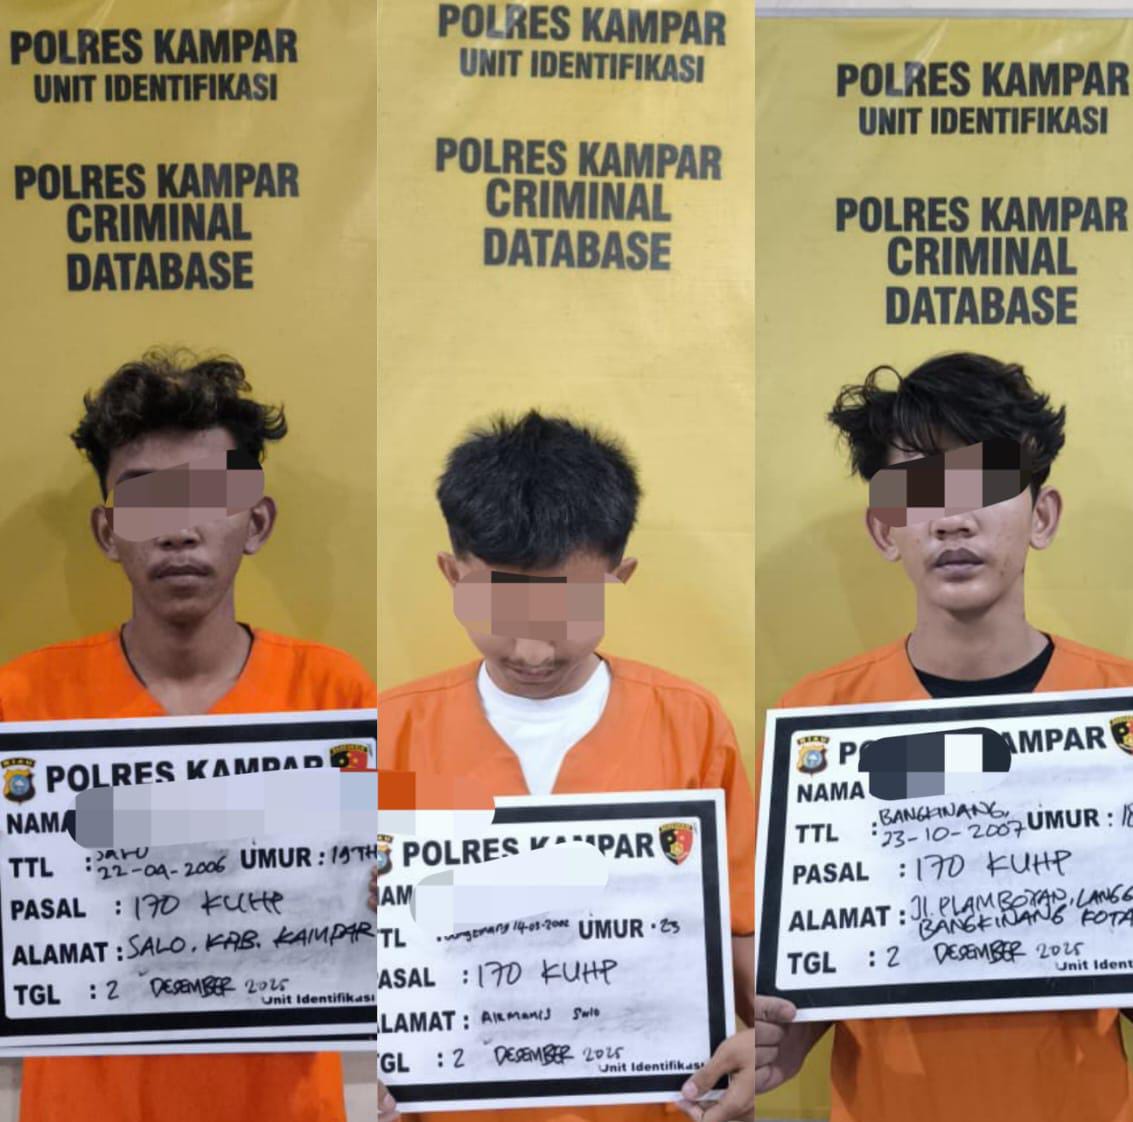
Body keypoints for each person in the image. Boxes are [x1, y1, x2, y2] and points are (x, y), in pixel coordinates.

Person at [755, 352, 1133, 1121]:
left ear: (1041, 515)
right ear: (884, 528)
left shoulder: (1116, 712)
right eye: (918, 491)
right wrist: (780, 1032)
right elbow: (819, 953)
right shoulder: (821, 721)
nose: (952, 519)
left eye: (985, 487)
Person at [1, 349, 377, 1122]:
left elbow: (415, 871)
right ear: (108, 531)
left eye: (208, 496)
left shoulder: (339, 695)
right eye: (144, 501)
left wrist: (400, 882)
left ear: (257, 522)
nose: (177, 529)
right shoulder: (21, 703)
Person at [377, 411, 757, 1122]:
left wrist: (760, 1042)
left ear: (619, 577)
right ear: (452, 576)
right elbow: (340, 943)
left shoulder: (690, 725)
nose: (531, 651)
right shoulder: (390, 737)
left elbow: (740, 931)